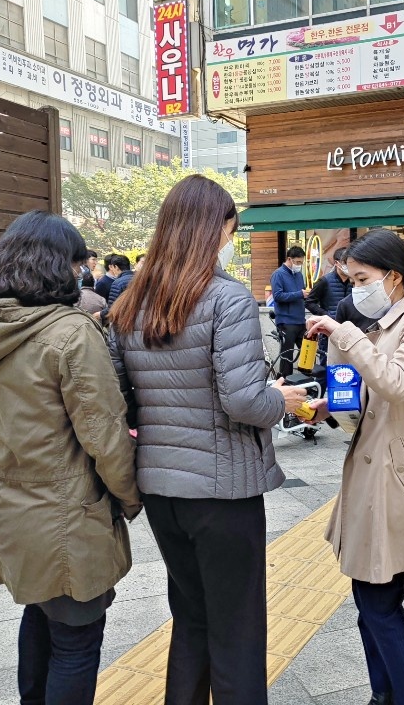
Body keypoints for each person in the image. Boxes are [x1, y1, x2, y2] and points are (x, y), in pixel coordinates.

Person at [107, 175, 308, 705]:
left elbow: (123, 398)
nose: (231, 240)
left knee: (191, 618)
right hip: (223, 494)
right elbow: (243, 400)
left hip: (161, 488)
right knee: (237, 629)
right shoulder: (226, 298)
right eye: (230, 230)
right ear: (214, 228)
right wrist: (280, 402)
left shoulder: (130, 302)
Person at [0, 211, 141, 705]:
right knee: (76, 643)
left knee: (40, 620)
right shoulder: (70, 333)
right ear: (60, 266)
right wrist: (129, 497)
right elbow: (103, 435)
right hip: (66, 515)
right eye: (80, 265)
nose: (84, 273)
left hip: (10, 509)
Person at [303, 229, 404, 705]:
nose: (354, 290)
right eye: (348, 281)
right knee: (370, 602)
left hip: (396, 470)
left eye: (361, 279)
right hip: (375, 468)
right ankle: (383, 692)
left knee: (379, 603)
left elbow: (397, 383)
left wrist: (343, 331)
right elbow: (365, 397)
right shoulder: (386, 323)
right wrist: (332, 405)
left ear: (393, 276)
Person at [271, 246, 309, 378]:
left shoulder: (299, 274)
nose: (299, 265)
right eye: (297, 262)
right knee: (287, 354)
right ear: (289, 259)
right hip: (286, 321)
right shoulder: (278, 274)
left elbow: (301, 294)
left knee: (307, 352)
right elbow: (278, 296)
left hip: (300, 320)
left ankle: (306, 381)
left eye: (301, 263)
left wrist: (306, 295)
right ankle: (286, 382)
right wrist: (299, 294)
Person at [100, 255, 135, 324]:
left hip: (124, 322)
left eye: (112, 267)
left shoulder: (117, 283)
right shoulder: (140, 280)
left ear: (116, 267)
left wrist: (101, 314)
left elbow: (113, 308)